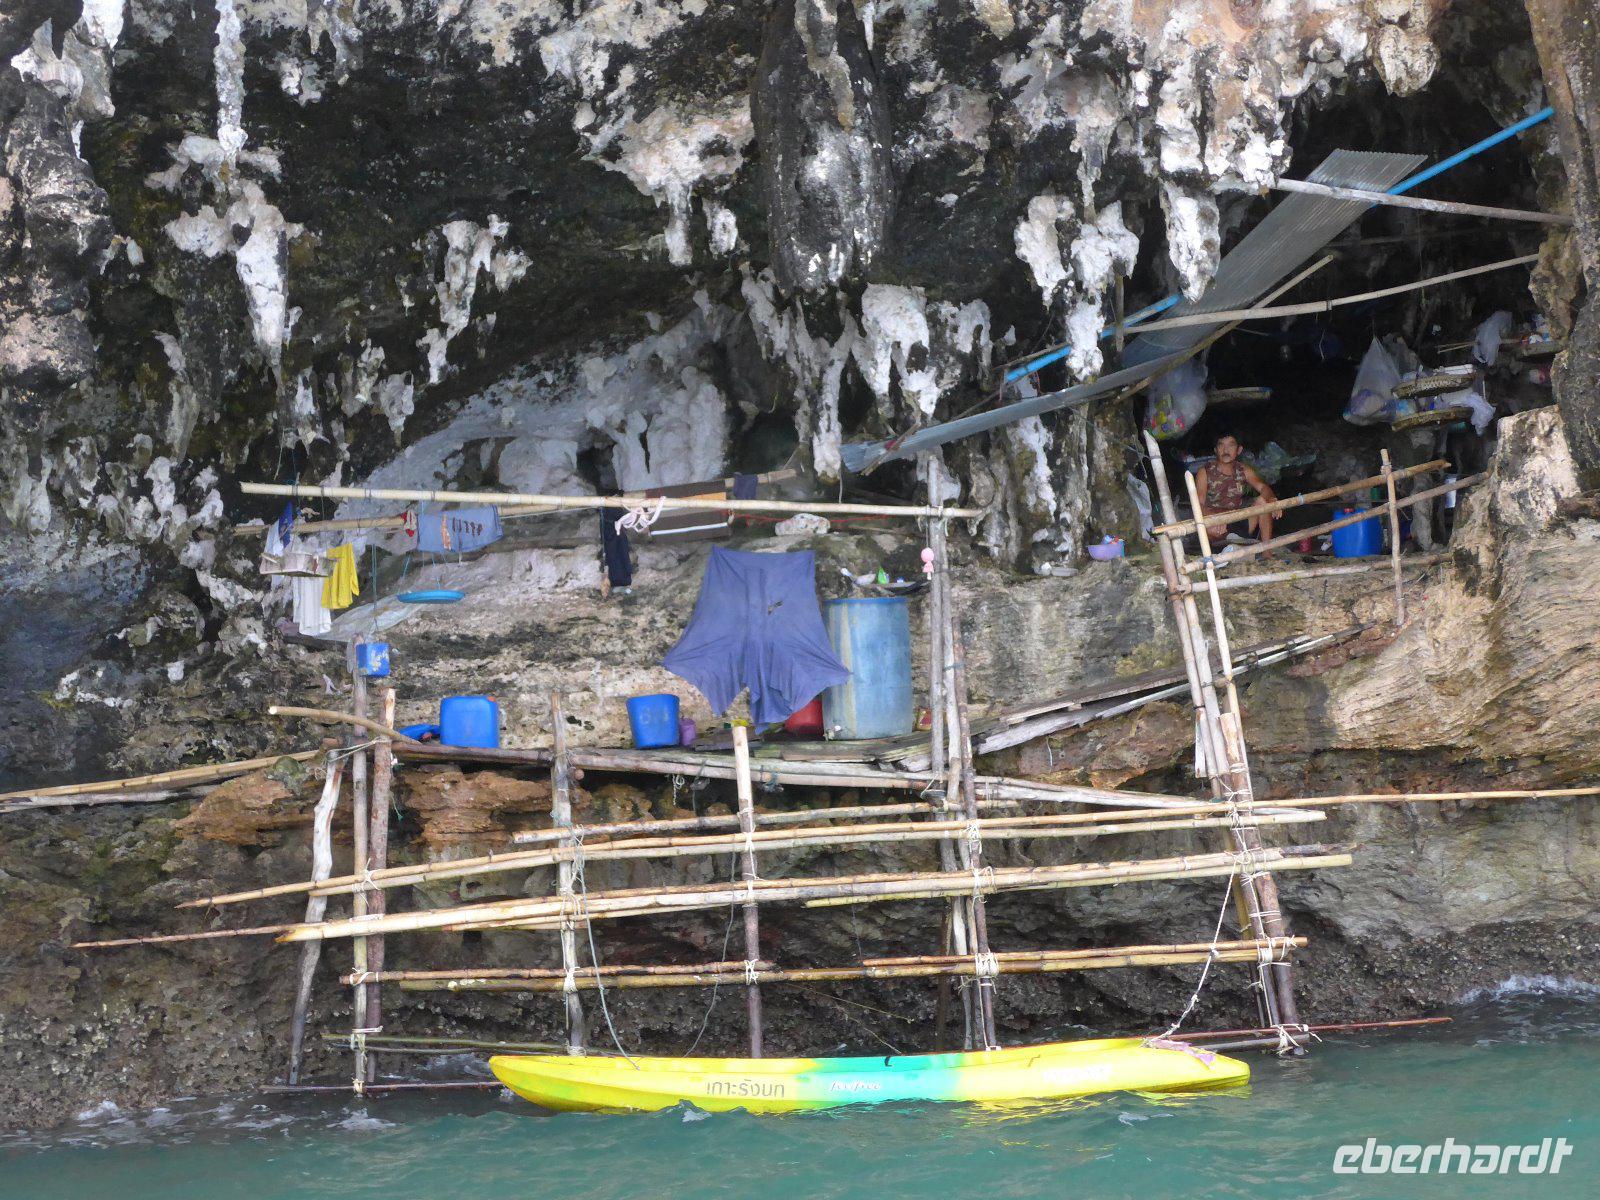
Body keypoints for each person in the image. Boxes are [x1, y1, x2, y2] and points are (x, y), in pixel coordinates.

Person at [1194, 432, 1276, 546]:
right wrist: (1215, 518)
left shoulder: (1243, 469)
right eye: (1221, 445)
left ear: (1239, 450)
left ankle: (1266, 551)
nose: (1225, 450)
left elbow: (1263, 487)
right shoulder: (1205, 472)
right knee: (1206, 526)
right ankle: (1233, 540)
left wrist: (1272, 499)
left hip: (1238, 520)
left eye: (1231, 445)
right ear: (1216, 450)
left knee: (1262, 502)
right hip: (1215, 524)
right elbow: (1199, 504)